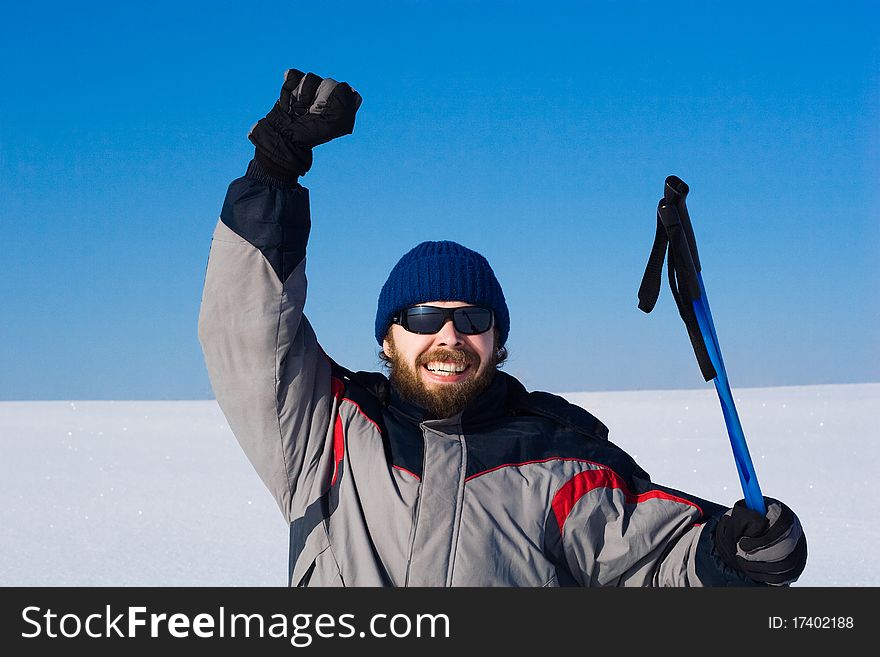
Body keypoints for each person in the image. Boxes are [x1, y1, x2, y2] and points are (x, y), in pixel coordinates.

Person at [198, 69, 807, 587]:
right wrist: (273, 171)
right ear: (388, 338)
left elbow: (653, 556)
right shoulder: (325, 433)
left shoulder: (560, 459)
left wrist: (733, 554)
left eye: (472, 318)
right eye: (423, 317)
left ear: (498, 339)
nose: (449, 336)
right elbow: (247, 328)